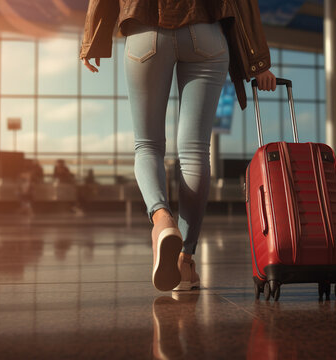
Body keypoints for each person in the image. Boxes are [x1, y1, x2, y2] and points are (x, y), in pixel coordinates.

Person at [80, 0, 276, 292]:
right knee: (195, 151)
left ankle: (161, 220)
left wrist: (91, 40)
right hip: (206, 32)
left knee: (147, 145)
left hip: (146, 29)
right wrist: (259, 61)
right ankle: (185, 261)